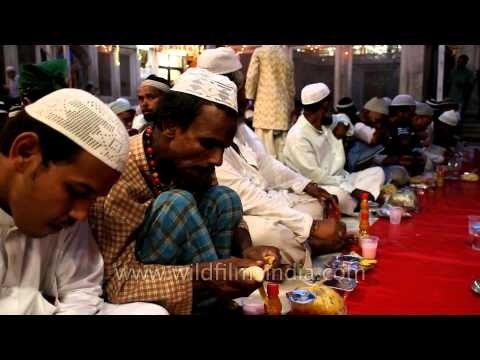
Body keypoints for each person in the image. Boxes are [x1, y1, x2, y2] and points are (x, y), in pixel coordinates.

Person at [89, 68, 281, 315]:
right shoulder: (120, 175)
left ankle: (217, 301)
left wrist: (245, 248)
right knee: (176, 204)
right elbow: (117, 284)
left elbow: (228, 216)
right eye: (208, 143)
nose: (218, 159)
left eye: (223, 147)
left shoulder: (194, 163)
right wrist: (205, 276)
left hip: (192, 277)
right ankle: (216, 302)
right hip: (134, 287)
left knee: (225, 199)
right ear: (170, 126)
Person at [0, 88, 167, 315]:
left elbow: (81, 287)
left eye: (91, 198)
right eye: (76, 191)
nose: (80, 214)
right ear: (26, 152)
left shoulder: (65, 214)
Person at [198, 47, 347, 267]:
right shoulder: (207, 134)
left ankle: (302, 247)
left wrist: (306, 185)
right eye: (241, 93)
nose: (247, 100)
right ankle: (309, 246)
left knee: (315, 205)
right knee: (275, 235)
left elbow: (267, 164)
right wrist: (310, 227)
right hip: (238, 215)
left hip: (265, 198)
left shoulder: (240, 127)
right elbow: (243, 197)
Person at [283, 83, 385, 215]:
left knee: (377, 172)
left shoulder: (325, 121)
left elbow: (345, 120)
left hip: (341, 178)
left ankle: (357, 203)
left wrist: (344, 124)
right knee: (339, 196)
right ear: (325, 104)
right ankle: (358, 202)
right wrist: (353, 190)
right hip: (318, 186)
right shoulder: (298, 136)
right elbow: (316, 176)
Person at [245, 45, 295, 161]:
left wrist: (249, 99)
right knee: (281, 157)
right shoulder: (286, 55)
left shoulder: (260, 52)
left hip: (265, 114)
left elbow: (251, 77)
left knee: (264, 157)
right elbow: (291, 88)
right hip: (283, 114)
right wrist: (290, 108)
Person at [446, 54, 475, 119]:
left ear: (465, 63)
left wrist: (463, 85)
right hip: (451, 98)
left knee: (458, 116)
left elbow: (470, 85)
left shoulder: (469, 73)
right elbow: (448, 83)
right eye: (459, 61)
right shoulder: (452, 71)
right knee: (449, 116)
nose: (459, 63)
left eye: (462, 62)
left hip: (461, 99)